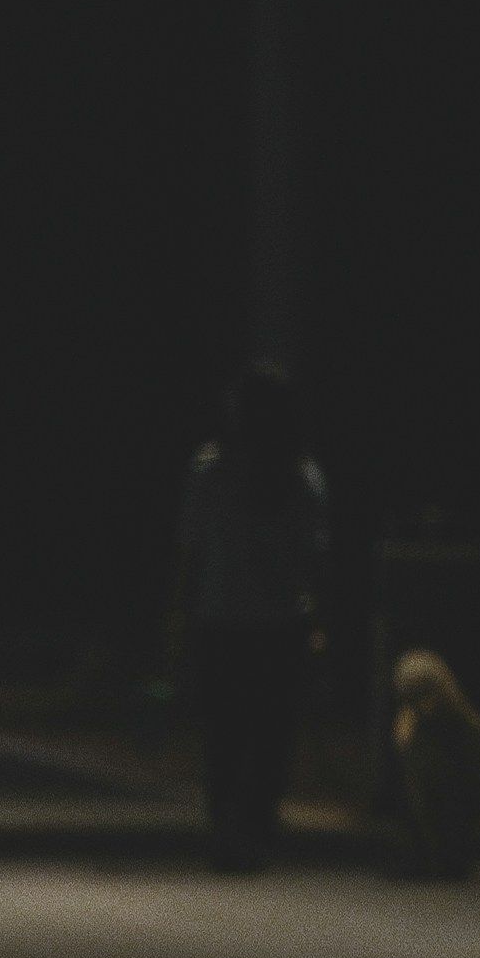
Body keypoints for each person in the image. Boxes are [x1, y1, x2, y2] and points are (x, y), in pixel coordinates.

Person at [174, 364, 332, 871]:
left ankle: (225, 824)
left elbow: (191, 552)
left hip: (222, 617)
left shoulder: (212, 469)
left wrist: (180, 616)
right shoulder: (302, 476)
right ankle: (258, 826)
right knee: (270, 732)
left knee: (225, 728)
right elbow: (314, 557)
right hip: (280, 622)